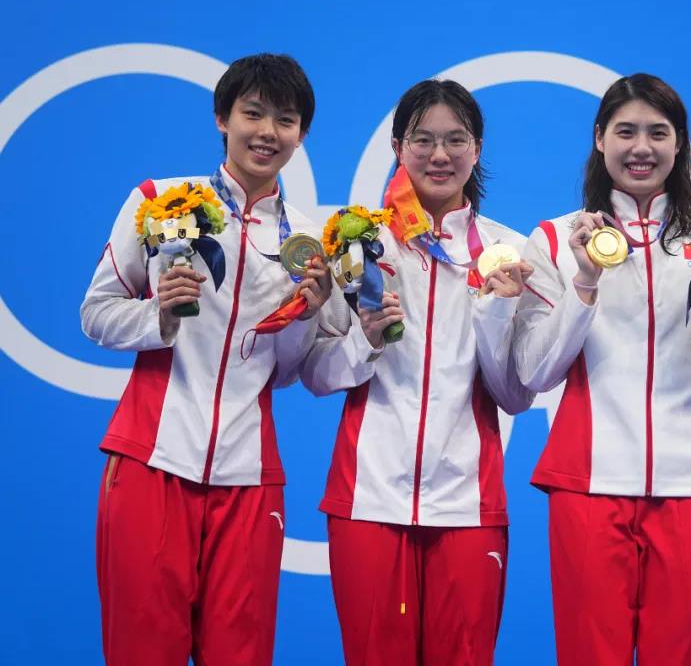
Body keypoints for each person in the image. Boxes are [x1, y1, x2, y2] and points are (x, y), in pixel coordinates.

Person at [81, 53, 339, 665]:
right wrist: (158, 319)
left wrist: (305, 317)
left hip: (248, 478)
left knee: (240, 654)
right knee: (143, 650)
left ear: (301, 135)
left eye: (285, 119)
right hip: (152, 458)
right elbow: (95, 314)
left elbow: (289, 370)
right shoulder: (161, 201)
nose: (267, 132)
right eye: (252, 113)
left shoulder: (305, 241)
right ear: (222, 117)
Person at [512, 73, 691, 665]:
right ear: (600, 139)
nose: (641, 147)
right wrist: (585, 283)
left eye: (658, 132)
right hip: (587, 487)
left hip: (690, 487)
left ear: (680, 146)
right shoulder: (553, 239)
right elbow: (534, 372)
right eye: (625, 131)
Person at [300, 79, 533, 666]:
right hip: (368, 498)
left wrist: (498, 307)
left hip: (468, 504)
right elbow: (317, 375)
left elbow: (515, 395)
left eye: (456, 140)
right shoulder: (357, 243)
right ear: (399, 147)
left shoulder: (508, 252)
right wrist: (365, 340)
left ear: (476, 150)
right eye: (424, 140)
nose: (440, 155)